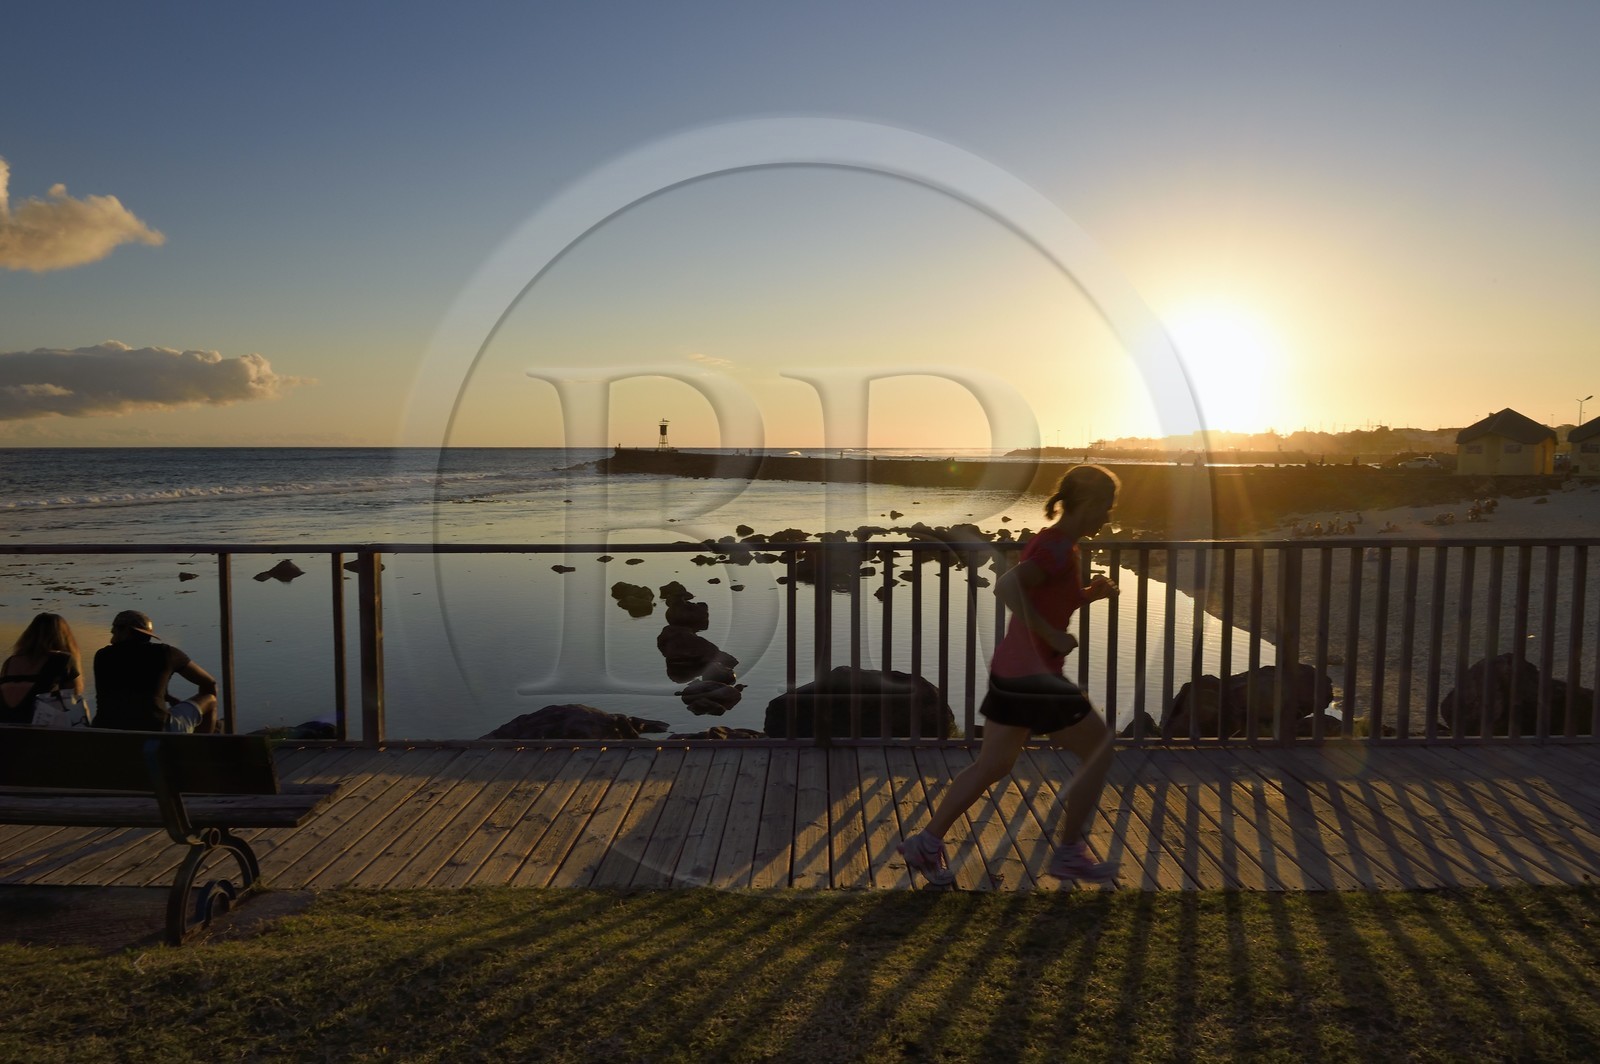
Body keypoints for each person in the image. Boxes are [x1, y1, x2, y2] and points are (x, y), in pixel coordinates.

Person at [898, 465, 1123, 886]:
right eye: (1106, 508)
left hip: (1012, 671)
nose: (1108, 517)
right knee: (1099, 750)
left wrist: (1089, 595)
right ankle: (1071, 852)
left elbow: (1044, 596)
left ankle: (925, 843)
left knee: (993, 765)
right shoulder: (1055, 548)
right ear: (1088, 503)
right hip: (1034, 678)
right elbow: (1007, 588)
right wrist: (1051, 633)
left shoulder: (1060, 547)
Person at [92, 610, 219, 732]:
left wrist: (165, 696)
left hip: (106, 730)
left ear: (126, 632)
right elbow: (209, 683)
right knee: (210, 699)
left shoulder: (102, 656)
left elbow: (128, 678)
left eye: (115, 631)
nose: (112, 637)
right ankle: (199, 746)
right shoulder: (166, 653)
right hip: (157, 731)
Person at [1, 613, 86, 725]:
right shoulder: (62, 660)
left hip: (6, 731)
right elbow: (74, 698)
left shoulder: (10, 662)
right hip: (41, 732)